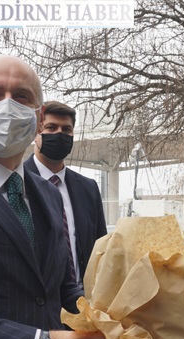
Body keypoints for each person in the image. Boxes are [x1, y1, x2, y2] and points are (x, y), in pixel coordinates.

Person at [0, 55, 115, 339]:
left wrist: (112, 325)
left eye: (23, 97)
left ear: (38, 118)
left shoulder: (49, 194)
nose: (8, 106)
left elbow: (64, 288)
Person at [24, 101, 108, 289]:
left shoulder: (88, 188)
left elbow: (101, 248)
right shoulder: (17, 182)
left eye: (66, 129)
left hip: (83, 304)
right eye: (51, 127)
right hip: (38, 306)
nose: (59, 134)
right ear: (36, 132)